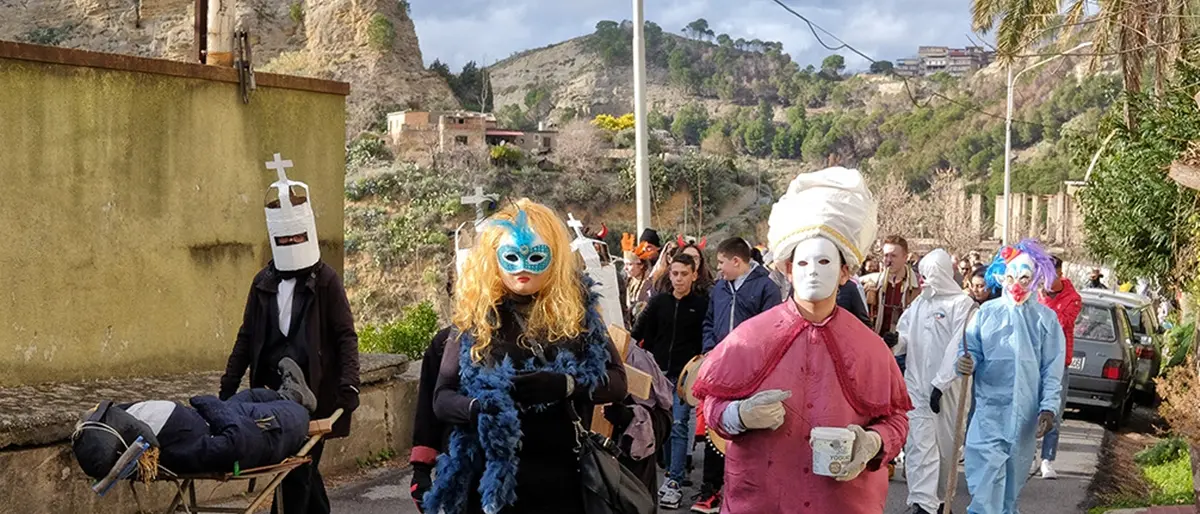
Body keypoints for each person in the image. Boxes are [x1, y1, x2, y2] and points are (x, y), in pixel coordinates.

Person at [693, 166, 911, 513]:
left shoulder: (869, 347)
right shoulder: (749, 337)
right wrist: (739, 414)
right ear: (788, 269)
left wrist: (872, 442)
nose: (813, 271)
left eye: (824, 261)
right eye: (804, 262)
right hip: (761, 503)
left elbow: (897, 420)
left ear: (844, 272)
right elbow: (712, 408)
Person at [423, 199, 628, 514]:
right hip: (490, 481)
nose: (522, 268)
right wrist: (478, 407)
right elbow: (441, 397)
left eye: (535, 256)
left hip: (561, 480)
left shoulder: (578, 315)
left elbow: (617, 382)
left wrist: (566, 385)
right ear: (494, 257)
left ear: (554, 257)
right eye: (511, 257)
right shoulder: (477, 319)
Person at [220, 157, 360, 514]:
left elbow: (345, 336)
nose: (292, 242)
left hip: (316, 393)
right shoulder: (263, 283)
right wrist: (228, 386)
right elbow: (246, 336)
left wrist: (350, 384)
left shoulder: (326, 281)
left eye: (297, 236)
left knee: (297, 470)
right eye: (285, 238)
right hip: (271, 394)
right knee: (298, 468)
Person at [955, 239, 1065, 514]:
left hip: (1024, 419)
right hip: (989, 414)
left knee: (1010, 491)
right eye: (1012, 277)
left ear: (1035, 279)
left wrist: (1048, 408)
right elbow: (971, 348)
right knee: (984, 483)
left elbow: (1052, 370)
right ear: (1002, 277)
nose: (1017, 285)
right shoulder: (986, 314)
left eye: (1024, 278)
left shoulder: (1046, 320)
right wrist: (967, 361)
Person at [74, 358, 315, 481]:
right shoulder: (178, 451)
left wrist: (214, 409)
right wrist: (211, 406)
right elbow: (235, 444)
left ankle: (287, 395)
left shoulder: (125, 416)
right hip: (245, 431)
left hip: (213, 417)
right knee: (295, 417)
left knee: (251, 396)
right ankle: (294, 399)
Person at [695, 237, 784, 513]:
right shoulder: (719, 288)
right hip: (721, 368)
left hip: (753, 373)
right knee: (714, 427)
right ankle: (710, 490)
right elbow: (709, 322)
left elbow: (773, 330)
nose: (719, 269)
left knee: (748, 433)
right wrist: (710, 349)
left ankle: (749, 494)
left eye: (722, 262)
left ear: (737, 261)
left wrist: (754, 359)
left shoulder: (767, 288)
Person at [898, 250, 976, 514]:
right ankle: (922, 503)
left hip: (949, 391)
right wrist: (895, 342)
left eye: (926, 274)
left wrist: (941, 384)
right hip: (916, 386)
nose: (922, 280)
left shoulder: (962, 305)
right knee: (919, 445)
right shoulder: (920, 303)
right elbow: (905, 334)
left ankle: (942, 501)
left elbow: (959, 346)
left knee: (946, 448)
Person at [632, 253, 709, 509]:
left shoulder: (701, 305)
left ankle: (674, 480)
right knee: (662, 426)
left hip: (684, 377)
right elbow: (638, 332)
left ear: (694, 275)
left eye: (684, 274)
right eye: (675, 273)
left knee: (678, 425)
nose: (679, 279)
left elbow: (705, 338)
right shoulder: (658, 302)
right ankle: (668, 471)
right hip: (657, 374)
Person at [1036, 255, 1082, 480]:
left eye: (1050, 274)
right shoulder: (1033, 293)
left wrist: (1043, 301)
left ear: (1060, 274)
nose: (1045, 279)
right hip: (1034, 359)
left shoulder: (1073, 298)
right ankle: (1025, 453)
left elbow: (1060, 323)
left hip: (1059, 362)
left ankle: (1047, 459)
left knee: (1053, 410)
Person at [409, 326, 454, 512]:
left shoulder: (537, 339)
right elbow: (428, 409)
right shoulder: (446, 342)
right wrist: (421, 471)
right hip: (461, 467)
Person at [862, 235, 922, 361]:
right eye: (886, 255)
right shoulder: (873, 284)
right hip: (877, 349)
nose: (888, 260)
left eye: (893, 256)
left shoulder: (917, 287)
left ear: (905, 257)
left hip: (905, 353)